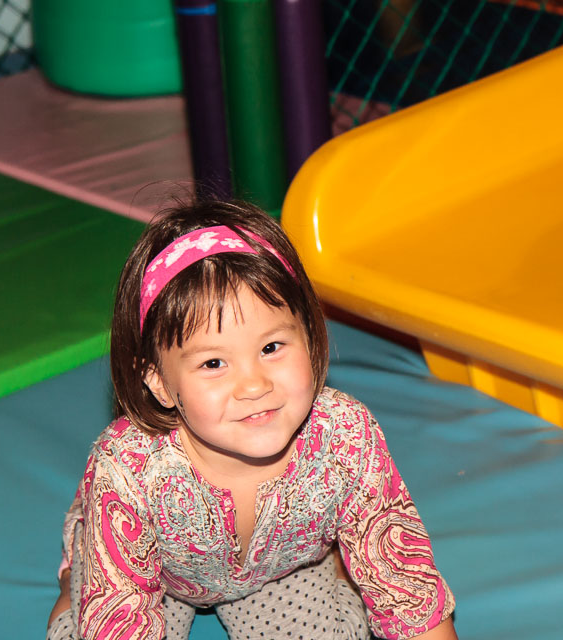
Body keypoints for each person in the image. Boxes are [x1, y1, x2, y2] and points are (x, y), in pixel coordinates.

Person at [47, 199, 457, 640]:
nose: (254, 385)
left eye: (271, 348)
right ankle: (73, 580)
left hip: (281, 568)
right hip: (157, 572)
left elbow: (406, 584)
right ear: (160, 383)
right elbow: (118, 616)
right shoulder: (129, 468)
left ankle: (338, 567)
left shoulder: (345, 437)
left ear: (309, 335)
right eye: (213, 363)